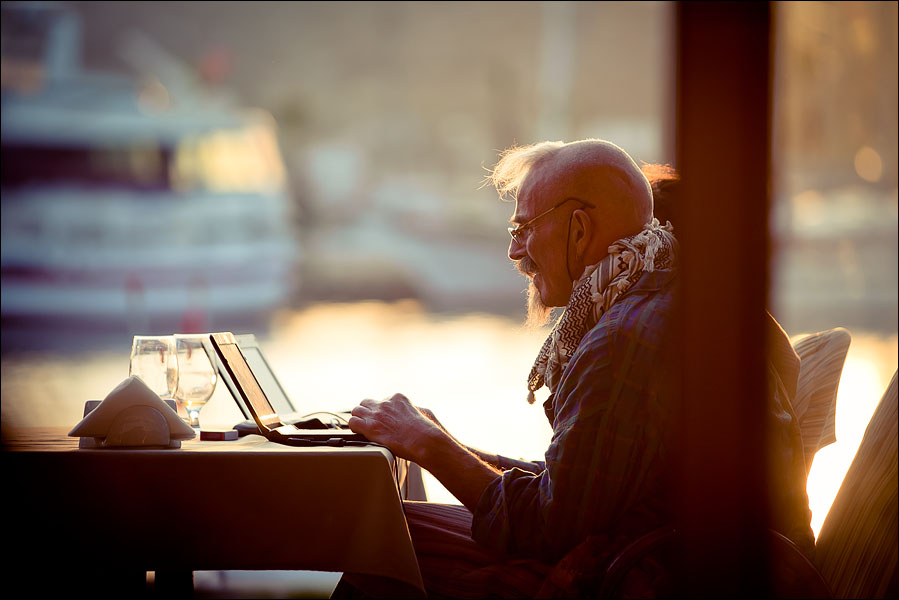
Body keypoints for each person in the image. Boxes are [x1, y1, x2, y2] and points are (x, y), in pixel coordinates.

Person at [339, 139, 811, 598]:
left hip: (653, 577)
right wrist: (444, 442)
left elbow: (552, 527)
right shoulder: (672, 294)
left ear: (580, 230)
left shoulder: (621, 340)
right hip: (713, 564)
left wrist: (430, 445)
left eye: (523, 228)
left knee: (384, 545)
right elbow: (581, 490)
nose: (515, 251)